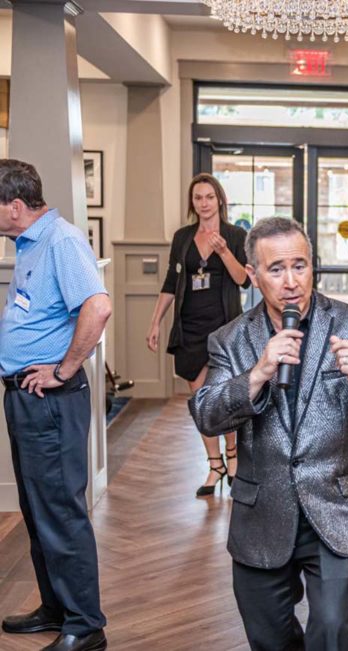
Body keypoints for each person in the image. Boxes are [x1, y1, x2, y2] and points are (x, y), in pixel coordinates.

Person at [188, 217, 348, 651]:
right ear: (252, 275)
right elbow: (206, 414)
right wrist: (256, 375)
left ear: (314, 267)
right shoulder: (230, 340)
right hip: (262, 511)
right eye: (276, 269)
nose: (291, 281)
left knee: (330, 630)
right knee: (268, 637)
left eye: (300, 266)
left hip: (336, 505)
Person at [0, 160, 111, 651]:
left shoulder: (61, 241)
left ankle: (85, 626)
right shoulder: (29, 243)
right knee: (37, 508)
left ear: (16, 207)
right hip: (26, 397)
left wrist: (64, 370)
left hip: (51, 401)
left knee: (61, 513)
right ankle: (56, 606)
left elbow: (98, 306)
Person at [146, 173, 250, 496]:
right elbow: (169, 283)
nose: (203, 203)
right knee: (201, 399)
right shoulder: (182, 238)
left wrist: (224, 252)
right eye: (197, 198)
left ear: (219, 199)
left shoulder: (235, 235)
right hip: (189, 327)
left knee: (225, 396)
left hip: (223, 327)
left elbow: (243, 279)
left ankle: (233, 459)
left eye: (208, 197)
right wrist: (155, 323)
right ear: (192, 203)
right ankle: (214, 464)